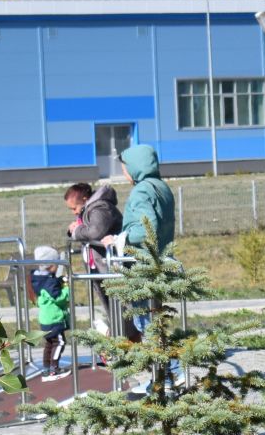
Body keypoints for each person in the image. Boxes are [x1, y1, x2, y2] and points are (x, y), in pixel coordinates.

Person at [116, 144, 175, 344]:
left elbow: (148, 228)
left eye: (125, 168)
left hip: (143, 264)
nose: (124, 173)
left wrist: (119, 239)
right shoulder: (161, 187)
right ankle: (163, 371)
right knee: (154, 318)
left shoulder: (141, 191)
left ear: (135, 166)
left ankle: (169, 369)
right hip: (160, 259)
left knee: (146, 322)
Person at [64, 180, 122, 335]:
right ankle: (118, 339)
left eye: (74, 208)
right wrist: (74, 230)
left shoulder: (100, 208)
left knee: (121, 311)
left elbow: (96, 232)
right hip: (99, 266)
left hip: (109, 267)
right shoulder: (89, 210)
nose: (74, 212)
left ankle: (124, 340)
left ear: (84, 199)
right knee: (112, 311)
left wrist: (77, 231)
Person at [29, 246, 72, 377]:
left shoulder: (39, 279)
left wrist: (58, 281)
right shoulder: (49, 282)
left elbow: (49, 290)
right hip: (55, 320)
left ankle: (46, 368)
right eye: (56, 264)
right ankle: (54, 368)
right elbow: (59, 298)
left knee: (49, 344)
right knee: (60, 342)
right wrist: (66, 288)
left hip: (45, 320)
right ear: (49, 265)